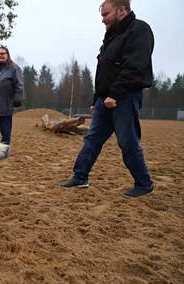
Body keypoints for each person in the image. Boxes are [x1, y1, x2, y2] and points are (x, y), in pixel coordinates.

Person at [61, 0, 154, 197]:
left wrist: (114, 94)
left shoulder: (140, 30)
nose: (103, 19)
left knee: (128, 142)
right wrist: (97, 99)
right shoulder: (112, 35)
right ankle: (80, 177)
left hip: (124, 98)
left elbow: (134, 67)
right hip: (105, 100)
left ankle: (144, 184)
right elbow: (103, 70)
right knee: (92, 139)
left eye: (106, 14)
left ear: (121, 10)